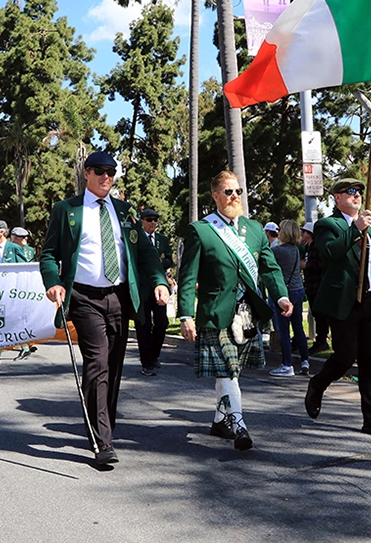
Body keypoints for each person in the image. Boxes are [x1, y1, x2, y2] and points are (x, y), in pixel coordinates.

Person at [40, 150, 169, 466]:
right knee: (97, 361)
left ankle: (102, 424)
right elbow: (48, 254)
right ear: (86, 173)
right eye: (99, 171)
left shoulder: (126, 211)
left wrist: (159, 280)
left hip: (119, 297)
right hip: (84, 298)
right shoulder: (66, 210)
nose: (106, 177)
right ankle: (102, 440)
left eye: (111, 172)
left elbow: (145, 255)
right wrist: (52, 282)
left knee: (113, 365)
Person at [178, 171, 292, 451]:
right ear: (215, 196)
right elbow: (188, 276)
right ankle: (239, 425)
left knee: (232, 373)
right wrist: (185, 314)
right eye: (228, 192)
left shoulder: (254, 230)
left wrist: (281, 297)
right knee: (228, 371)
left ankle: (220, 421)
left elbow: (269, 268)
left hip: (248, 314)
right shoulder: (201, 230)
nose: (235, 196)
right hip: (217, 313)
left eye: (238, 191)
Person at [304, 178, 371, 438]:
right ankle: (318, 384)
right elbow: (331, 254)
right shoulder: (327, 224)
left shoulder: (370, 229)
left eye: (359, 191)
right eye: (350, 192)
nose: (357, 195)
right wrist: (355, 230)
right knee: (345, 356)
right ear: (337, 198)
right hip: (345, 302)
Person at [135, 208, 174, 376]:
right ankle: (147, 362)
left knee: (162, 322)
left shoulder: (162, 240)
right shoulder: (135, 238)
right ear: (142, 220)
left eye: (155, 220)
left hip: (159, 287)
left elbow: (169, 260)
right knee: (143, 325)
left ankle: (154, 355)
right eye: (149, 219)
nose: (153, 223)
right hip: (141, 287)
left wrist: (158, 262)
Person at [268, 220, 309, 377]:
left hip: (284, 292)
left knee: (284, 329)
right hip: (297, 289)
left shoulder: (277, 251)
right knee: (298, 327)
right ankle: (305, 360)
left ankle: (287, 364)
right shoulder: (296, 250)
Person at [0, 220, 29, 365]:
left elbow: (23, 268)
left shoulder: (14, 248)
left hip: (11, 290)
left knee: (13, 318)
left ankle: (23, 346)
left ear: (2, 232)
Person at [302, 222, 330, 354]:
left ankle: (321, 341)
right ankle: (321, 340)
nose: (302, 234)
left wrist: (306, 265)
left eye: (304, 232)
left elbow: (319, 265)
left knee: (320, 315)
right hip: (312, 285)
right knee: (317, 314)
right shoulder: (309, 246)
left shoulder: (316, 246)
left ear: (309, 233)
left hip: (317, 285)